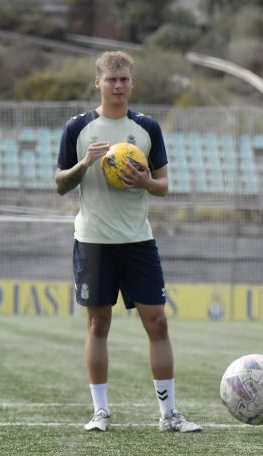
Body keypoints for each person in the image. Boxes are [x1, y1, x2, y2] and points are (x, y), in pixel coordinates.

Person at [55, 51, 201, 433]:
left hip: (138, 240)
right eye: (111, 79)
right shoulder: (79, 128)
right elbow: (59, 184)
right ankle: (100, 412)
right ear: (98, 83)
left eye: (124, 80)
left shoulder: (147, 128)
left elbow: (165, 186)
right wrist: (84, 164)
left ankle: (169, 415)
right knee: (97, 325)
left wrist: (146, 183)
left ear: (131, 84)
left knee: (157, 322)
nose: (118, 86)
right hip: (93, 241)